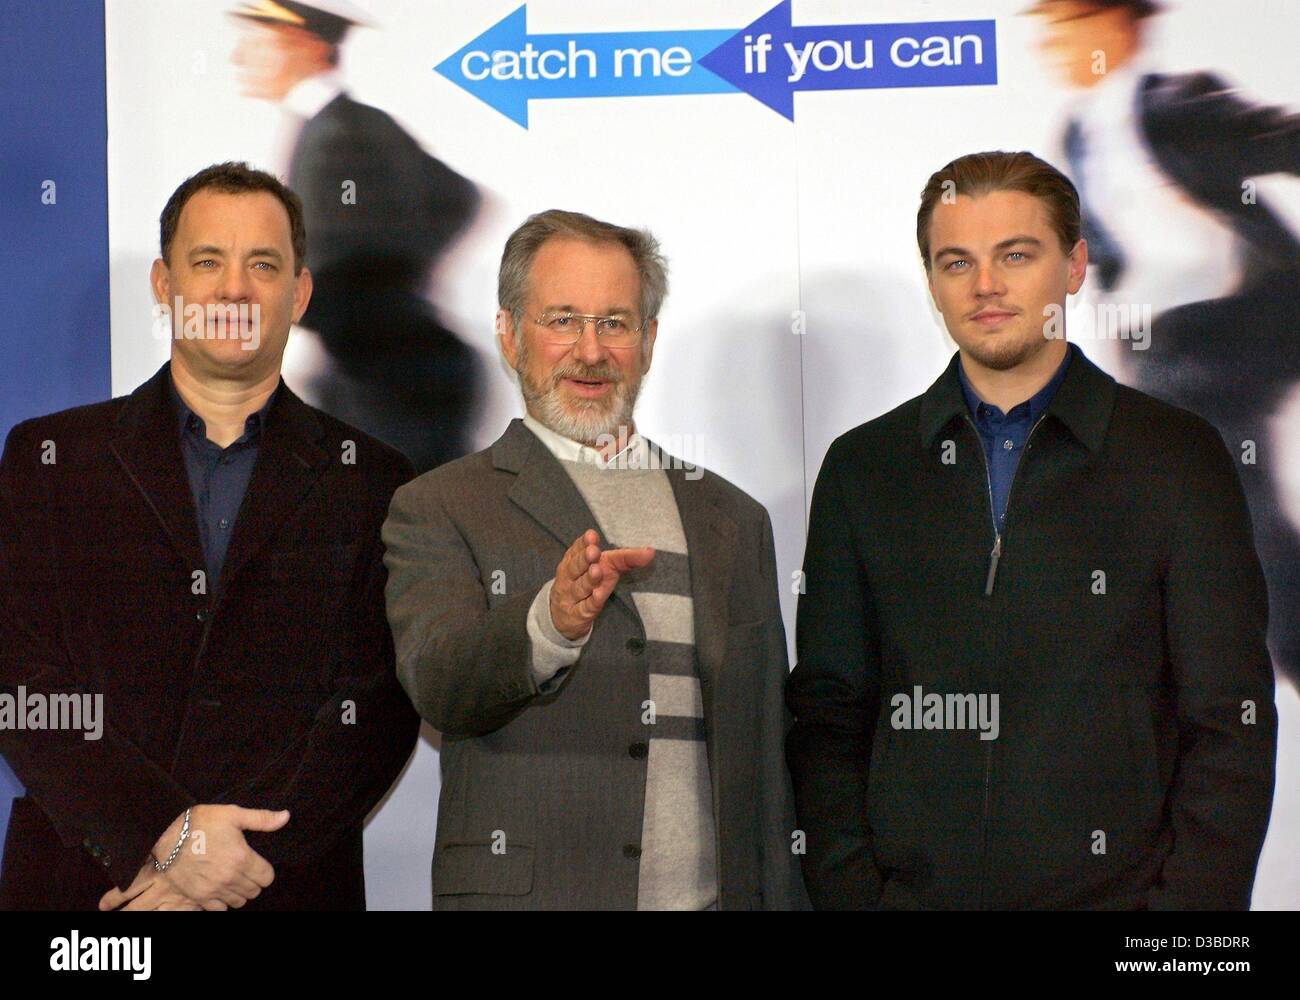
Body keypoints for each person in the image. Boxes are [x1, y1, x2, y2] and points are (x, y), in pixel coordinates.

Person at [786, 150, 1277, 909]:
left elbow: (1230, 721)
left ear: (1075, 266)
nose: (985, 285)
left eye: (1016, 255)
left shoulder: (1175, 457)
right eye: (957, 262)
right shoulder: (863, 469)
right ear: (932, 284)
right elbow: (827, 715)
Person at [0, 162, 419, 910]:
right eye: (208, 262)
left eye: (263, 265)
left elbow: (377, 708)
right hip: (91, 888)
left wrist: (225, 869)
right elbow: (20, 677)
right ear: (165, 285)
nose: (234, 290)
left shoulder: (373, 480)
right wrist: (163, 837)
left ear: (299, 293)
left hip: (282, 885)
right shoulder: (51, 460)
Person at [383, 210, 804, 909]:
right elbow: (441, 685)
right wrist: (548, 622)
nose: (590, 350)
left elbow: (766, 756)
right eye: (562, 320)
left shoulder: (733, 518)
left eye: (615, 323)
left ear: (648, 341)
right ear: (510, 336)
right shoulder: (438, 505)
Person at [1027, 0, 1300, 682]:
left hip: (1227, 333)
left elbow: (1280, 138)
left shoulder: (1179, 101)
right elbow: (1108, 245)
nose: (1051, 44)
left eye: (1066, 25)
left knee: (1242, 509)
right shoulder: (1078, 132)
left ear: (1119, 23)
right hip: (1157, 347)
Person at [231, 0, 481, 472]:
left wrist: (381, 290)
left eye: (259, 42)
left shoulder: (341, 132)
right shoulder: (331, 127)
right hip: (371, 376)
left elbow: (455, 199)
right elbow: (455, 198)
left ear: (303, 44)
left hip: (391, 387)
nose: (240, 57)